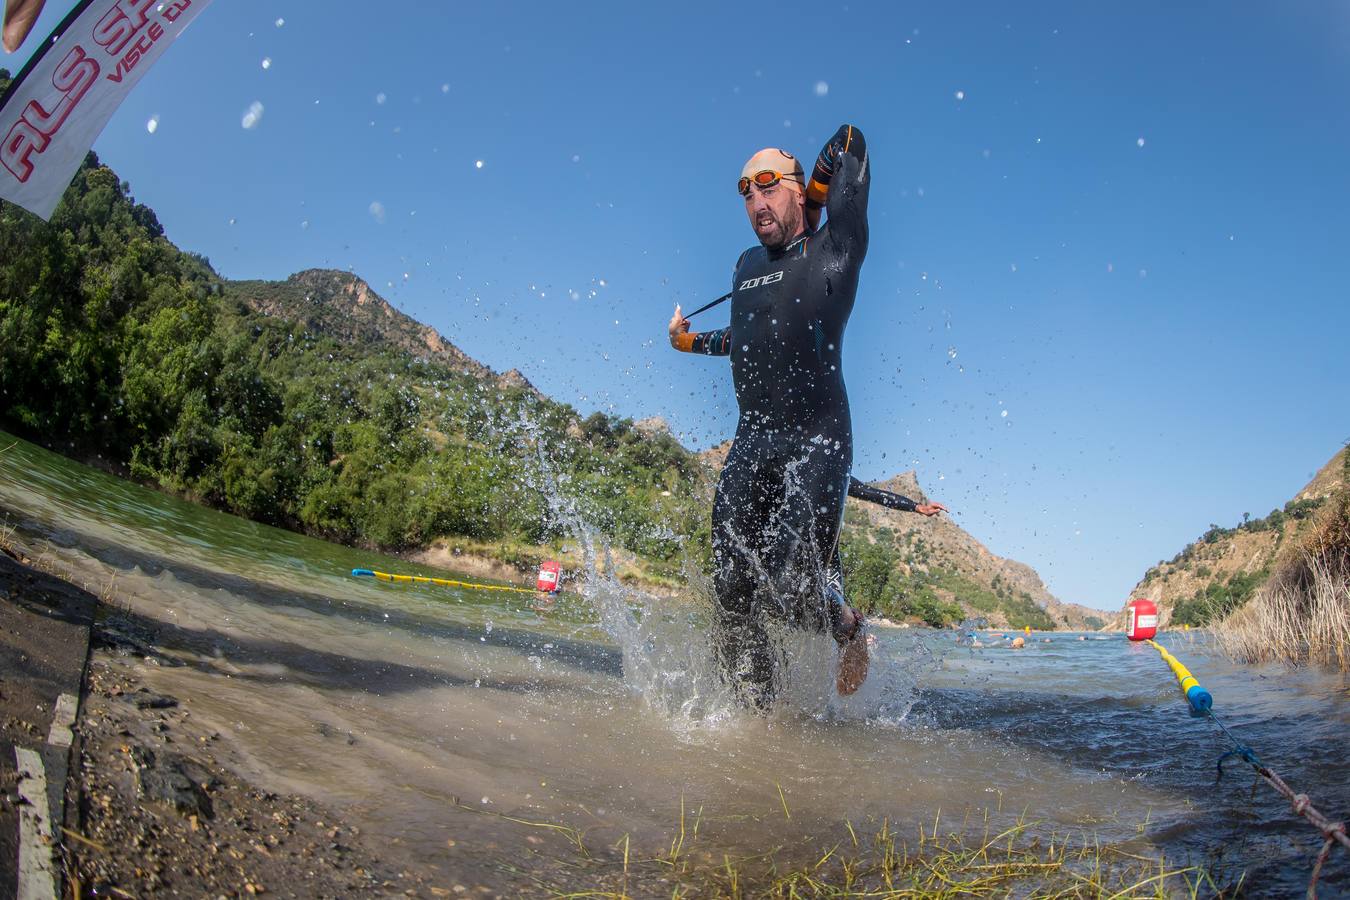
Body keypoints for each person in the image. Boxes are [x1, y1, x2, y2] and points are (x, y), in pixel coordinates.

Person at [668, 124, 944, 707]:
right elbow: (748, 336)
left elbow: (852, 140)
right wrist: (686, 345)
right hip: (753, 442)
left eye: (768, 185)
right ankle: (756, 722)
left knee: (793, 579)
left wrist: (818, 195)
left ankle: (847, 628)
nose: (754, 201)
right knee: (731, 586)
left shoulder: (834, 251)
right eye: (745, 190)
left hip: (817, 441)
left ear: (796, 191)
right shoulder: (745, 265)